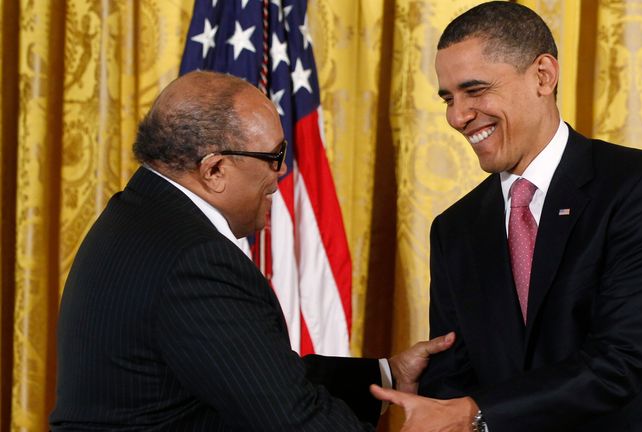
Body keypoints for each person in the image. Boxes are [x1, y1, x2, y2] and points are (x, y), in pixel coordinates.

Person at [370, 2, 642, 431]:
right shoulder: (455, 229)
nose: (457, 117)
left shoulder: (640, 186)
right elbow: (451, 377)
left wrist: (475, 412)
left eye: (474, 91)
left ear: (543, 76)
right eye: (449, 98)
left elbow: (619, 361)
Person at [50, 70, 453, 431]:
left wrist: (388, 374)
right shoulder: (196, 260)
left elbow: (251, 371)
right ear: (214, 170)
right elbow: (293, 419)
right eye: (274, 157)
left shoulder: (138, 216)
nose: (281, 174)